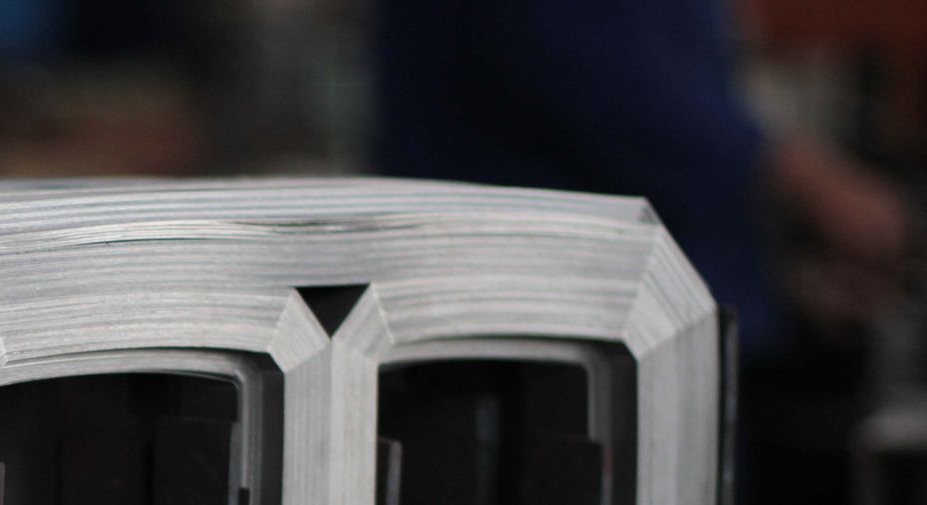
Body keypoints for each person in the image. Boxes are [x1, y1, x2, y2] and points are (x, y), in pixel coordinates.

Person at [372, 0, 909, 358]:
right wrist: (810, 182)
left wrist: (775, 270)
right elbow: (612, 86)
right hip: (545, 332)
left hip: (664, 316)